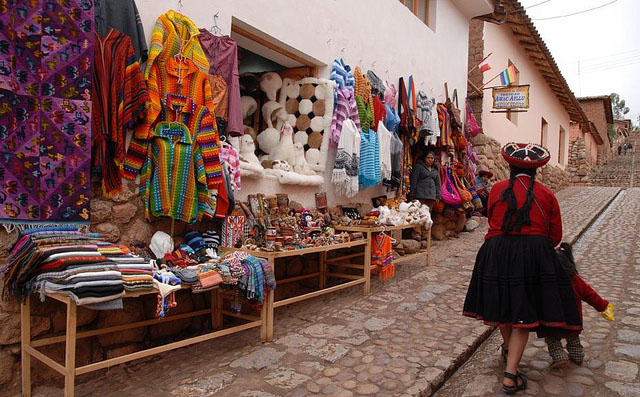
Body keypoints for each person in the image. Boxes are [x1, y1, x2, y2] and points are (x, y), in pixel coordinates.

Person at [463, 142, 582, 395]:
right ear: (537, 170)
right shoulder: (547, 194)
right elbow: (555, 236)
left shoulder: (496, 189)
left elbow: (493, 220)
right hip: (530, 254)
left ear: (510, 166)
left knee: (505, 308)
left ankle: (508, 354)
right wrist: (536, 249)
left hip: (495, 251)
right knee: (521, 316)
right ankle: (510, 374)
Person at [540, 243, 614, 367]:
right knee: (573, 339)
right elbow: (590, 295)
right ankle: (577, 356)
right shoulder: (575, 280)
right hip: (572, 318)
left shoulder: (546, 281)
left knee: (553, 340)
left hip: (552, 319)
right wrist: (603, 306)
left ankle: (560, 357)